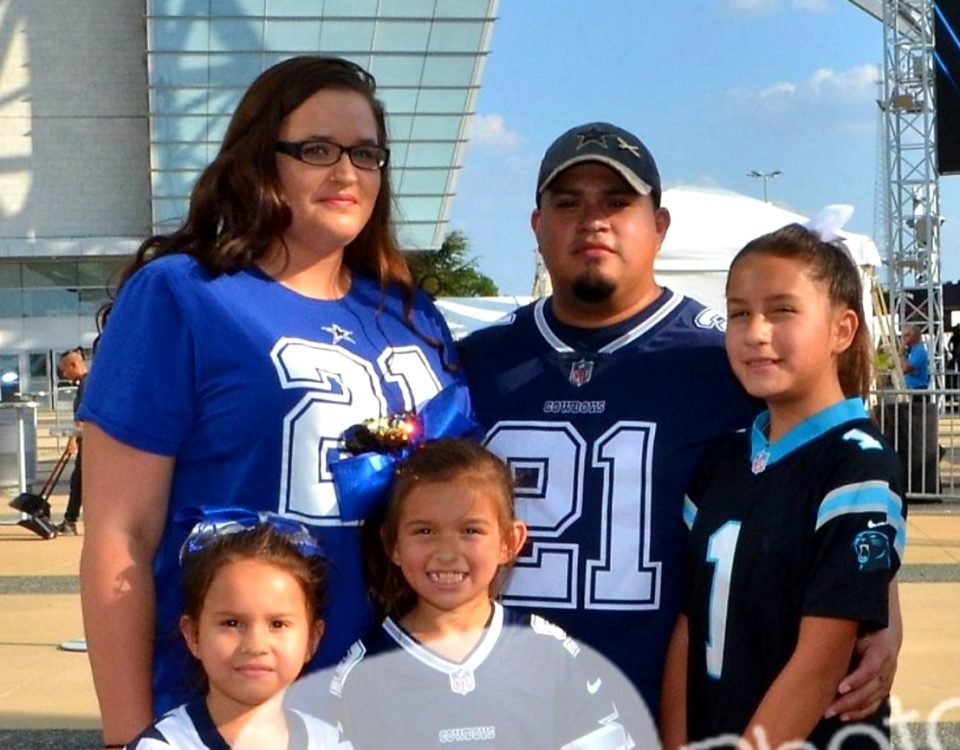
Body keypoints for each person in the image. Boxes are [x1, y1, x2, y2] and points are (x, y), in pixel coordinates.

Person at [78, 56, 460, 748]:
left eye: (367, 153)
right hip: (227, 714)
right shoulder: (183, 294)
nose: (347, 172)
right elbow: (119, 531)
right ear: (262, 159)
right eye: (317, 149)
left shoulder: (414, 317)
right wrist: (130, 734)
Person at [461, 121, 901, 720]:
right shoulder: (473, 363)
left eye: (618, 202)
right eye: (568, 203)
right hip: (500, 707)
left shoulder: (720, 359)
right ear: (537, 226)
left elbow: (832, 477)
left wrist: (881, 603)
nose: (594, 220)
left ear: (659, 226)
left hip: (655, 707)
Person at [660, 224, 906, 749]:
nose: (756, 331)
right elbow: (687, 626)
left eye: (782, 310)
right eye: (739, 313)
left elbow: (821, 662)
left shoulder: (857, 466)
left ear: (842, 330)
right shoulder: (722, 460)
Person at [329, 437, 644, 749]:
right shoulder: (364, 672)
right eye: (425, 531)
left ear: (510, 541)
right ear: (393, 544)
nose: (447, 553)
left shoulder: (547, 651)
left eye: (470, 531)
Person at [126, 515, 352, 749]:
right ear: (193, 635)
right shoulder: (163, 745)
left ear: (312, 639)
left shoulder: (331, 742)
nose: (255, 645)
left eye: (277, 624)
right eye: (232, 623)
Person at [56, 347, 88, 536]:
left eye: (65, 369)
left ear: (74, 365)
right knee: (78, 481)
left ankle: (71, 520)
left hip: (90, 444)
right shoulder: (85, 383)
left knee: (79, 481)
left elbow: (82, 417)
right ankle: (70, 519)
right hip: (89, 442)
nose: (64, 373)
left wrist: (72, 441)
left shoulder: (86, 384)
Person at [900, 324, 930, 394]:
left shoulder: (919, 351)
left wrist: (902, 354)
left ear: (914, 336)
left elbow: (905, 369)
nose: (904, 338)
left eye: (907, 335)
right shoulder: (910, 351)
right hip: (909, 388)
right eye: (903, 336)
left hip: (917, 389)